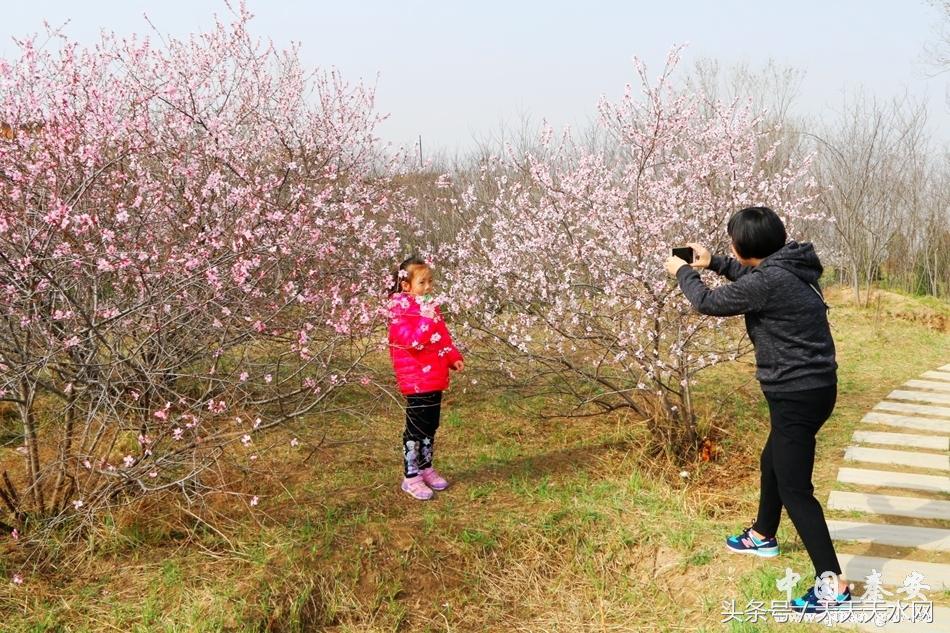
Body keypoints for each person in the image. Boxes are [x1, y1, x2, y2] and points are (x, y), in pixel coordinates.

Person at [665, 206, 850, 612]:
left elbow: (708, 302)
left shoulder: (769, 281)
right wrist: (714, 261)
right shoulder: (791, 266)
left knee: (795, 489)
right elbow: (754, 278)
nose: (730, 244)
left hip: (796, 393)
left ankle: (833, 586)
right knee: (774, 459)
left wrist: (682, 272)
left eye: (732, 241)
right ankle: (764, 534)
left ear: (745, 245)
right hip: (814, 387)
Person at [388, 255, 464, 500]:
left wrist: (452, 357)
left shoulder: (430, 308)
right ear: (406, 285)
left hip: (435, 375)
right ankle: (411, 477)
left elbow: (442, 336)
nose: (429, 287)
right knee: (416, 428)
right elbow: (412, 342)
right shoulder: (399, 310)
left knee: (431, 425)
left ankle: (426, 467)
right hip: (415, 378)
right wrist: (425, 318)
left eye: (430, 281)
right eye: (423, 282)